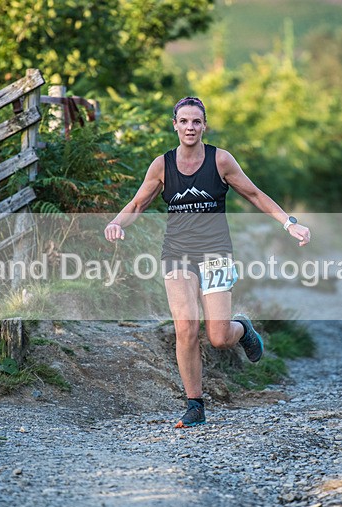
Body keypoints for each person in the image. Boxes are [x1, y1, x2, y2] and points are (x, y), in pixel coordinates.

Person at [104, 96, 311, 428]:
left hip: (216, 254)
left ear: (204, 126)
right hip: (177, 254)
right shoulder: (162, 165)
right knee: (185, 328)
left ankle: (242, 328)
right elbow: (138, 204)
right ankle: (195, 405)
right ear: (175, 125)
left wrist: (290, 223)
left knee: (217, 336)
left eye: (196, 121)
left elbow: (255, 194)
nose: (190, 127)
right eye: (184, 121)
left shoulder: (221, 161)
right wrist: (116, 223)